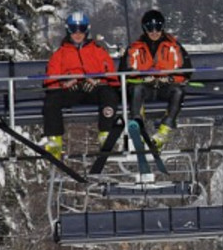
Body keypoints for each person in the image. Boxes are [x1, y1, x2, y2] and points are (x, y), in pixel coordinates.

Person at [42, 11, 120, 160]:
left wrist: (97, 81)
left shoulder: (98, 51)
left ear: (87, 30)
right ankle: (55, 141)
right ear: (68, 30)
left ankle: (105, 134)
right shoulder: (60, 54)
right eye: (73, 29)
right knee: (52, 101)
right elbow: (50, 81)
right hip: (71, 91)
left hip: (93, 90)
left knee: (109, 95)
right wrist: (65, 83)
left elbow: (112, 78)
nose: (78, 34)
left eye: (82, 29)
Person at [122, 9, 191, 149]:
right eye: (150, 28)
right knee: (136, 89)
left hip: (165, 87)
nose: (154, 32)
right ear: (144, 28)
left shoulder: (173, 46)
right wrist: (142, 77)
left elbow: (186, 71)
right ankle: (138, 128)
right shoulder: (135, 48)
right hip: (145, 88)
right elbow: (124, 73)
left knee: (178, 91)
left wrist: (171, 79)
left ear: (163, 27)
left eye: (158, 27)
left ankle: (164, 131)